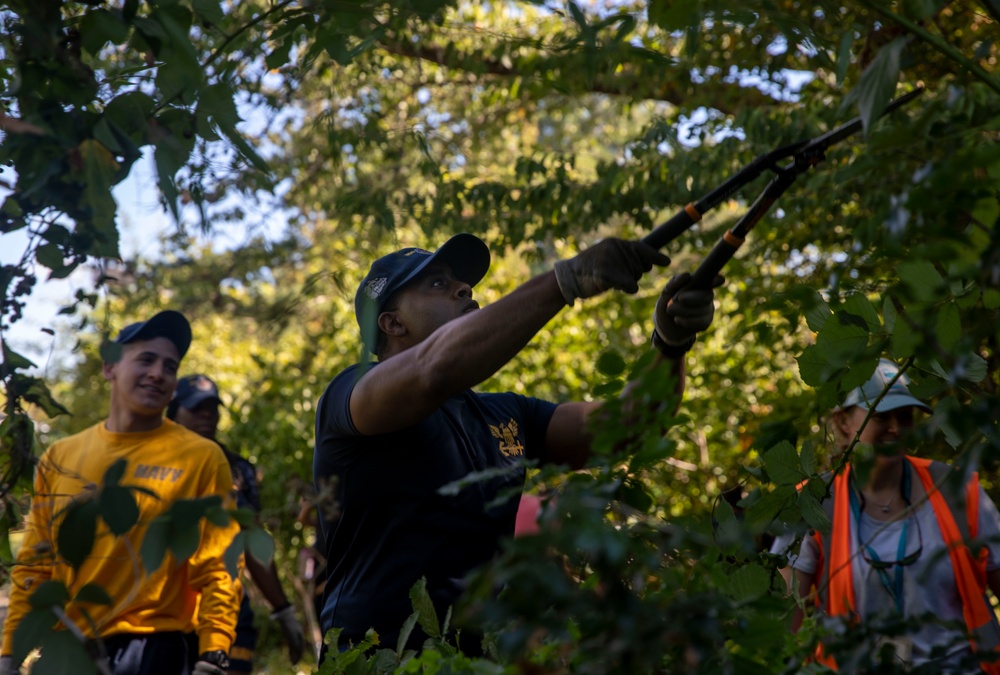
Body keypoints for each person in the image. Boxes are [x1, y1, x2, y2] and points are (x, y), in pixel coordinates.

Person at [313, 233, 719, 655]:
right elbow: (434, 368)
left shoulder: (504, 414)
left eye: (460, 281)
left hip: (476, 661)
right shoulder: (351, 397)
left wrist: (670, 344)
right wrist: (566, 279)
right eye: (436, 283)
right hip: (374, 660)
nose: (463, 288)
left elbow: (633, 423)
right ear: (393, 323)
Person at [0, 310, 242, 675]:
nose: (158, 373)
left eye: (170, 367)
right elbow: (36, 564)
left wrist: (214, 652)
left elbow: (219, 565)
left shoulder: (201, 458)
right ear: (110, 367)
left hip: (156, 650)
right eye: (146, 360)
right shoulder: (61, 457)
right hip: (68, 651)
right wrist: (9, 652)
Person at [784, 358, 1000, 672]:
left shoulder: (955, 488)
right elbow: (787, 623)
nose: (896, 428)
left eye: (905, 415)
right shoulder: (813, 501)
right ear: (844, 422)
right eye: (883, 416)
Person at [167, 375, 306, 673]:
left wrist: (283, 611)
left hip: (225, 611)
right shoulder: (152, 462)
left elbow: (252, 541)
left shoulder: (238, 470)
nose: (207, 415)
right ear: (174, 411)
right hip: (163, 613)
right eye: (196, 408)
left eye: (212, 408)